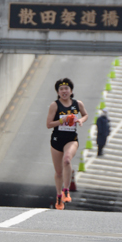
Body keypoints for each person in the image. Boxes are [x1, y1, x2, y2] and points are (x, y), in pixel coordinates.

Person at [46, 78, 88, 210]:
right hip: (57, 139)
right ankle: (59, 197)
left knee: (67, 160)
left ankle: (66, 190)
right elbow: (48, 124)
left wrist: (80, 120)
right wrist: (62, 120)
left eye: (66, 89)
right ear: (58, 92)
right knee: (58, 172)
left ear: (71, 91)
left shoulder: (77, 104)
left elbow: (85, 114)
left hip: (71, 138)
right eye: (61, 89)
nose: (64, 91)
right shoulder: (55, 105)